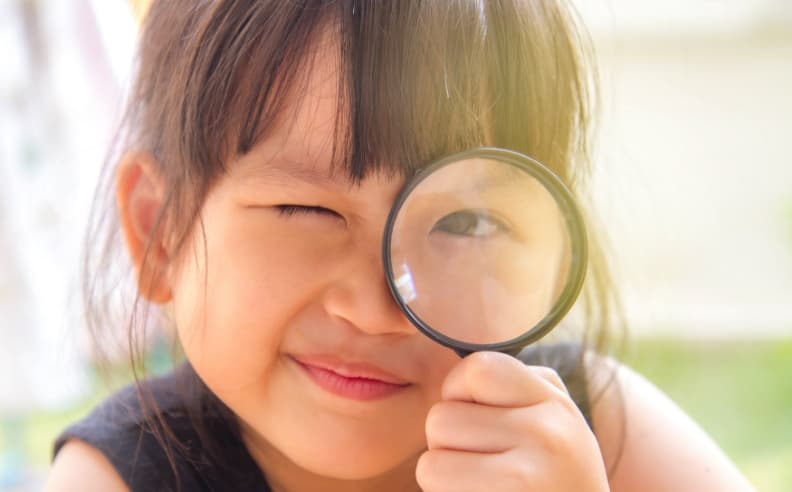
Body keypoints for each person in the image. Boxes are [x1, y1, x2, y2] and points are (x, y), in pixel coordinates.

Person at [45, 1, 755, 491]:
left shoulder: (599, 430)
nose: (377, 306)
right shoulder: (117, 478)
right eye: (303, 207)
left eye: (466, 224)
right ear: (159, 229)